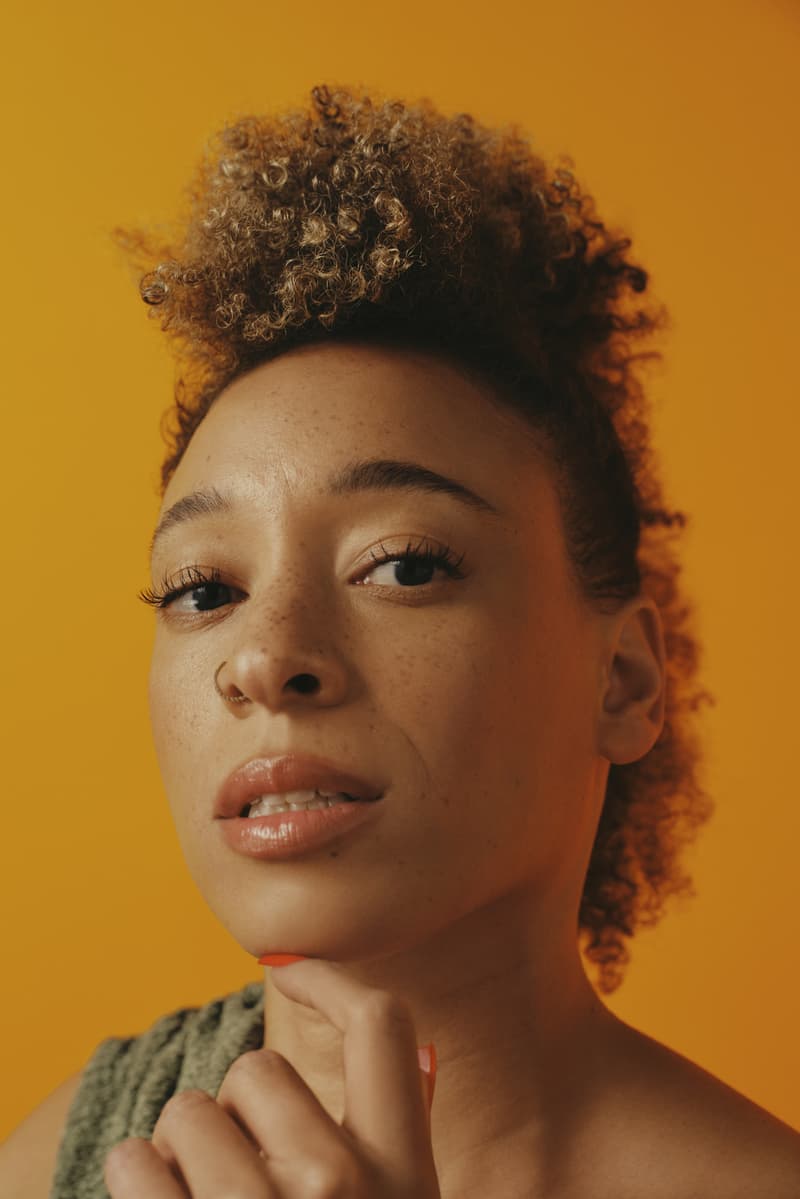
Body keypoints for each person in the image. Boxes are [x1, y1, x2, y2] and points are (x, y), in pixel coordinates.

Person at [3, 82, 800, 1198]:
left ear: (622, 680)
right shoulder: (65, 1160)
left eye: (405, 566)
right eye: (202, 587)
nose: (264, 656)